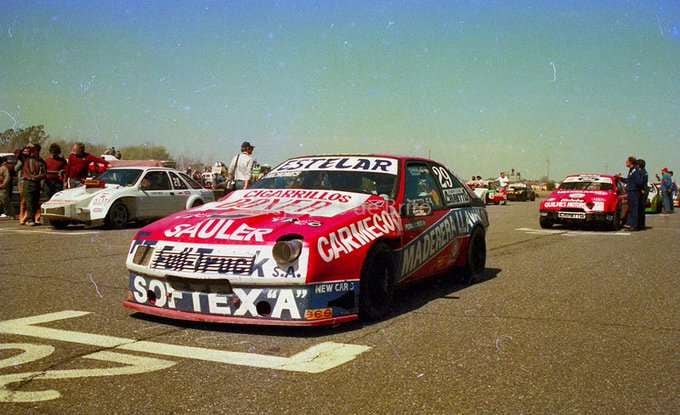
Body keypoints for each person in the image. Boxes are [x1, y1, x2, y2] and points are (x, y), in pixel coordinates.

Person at [20, 144, 46, 226]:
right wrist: (27, 146)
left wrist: (37, 177)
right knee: (29, 201)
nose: (35, 152)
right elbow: (19, 154)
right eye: (34, 151)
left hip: (36, 183)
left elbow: (44, 173)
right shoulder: (27, 159)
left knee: (35, 201)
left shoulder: (41, 161)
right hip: (28, 182)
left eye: (37, 151)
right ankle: (30, 219)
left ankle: (34, 218)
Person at [621, 156, 643, 230]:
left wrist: (635, 187)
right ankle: (630, 224)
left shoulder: (635, 171)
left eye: (627, 161)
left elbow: (639, 181)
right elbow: (628, 180)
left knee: (634, 209)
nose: (626, 162)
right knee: (631, 208)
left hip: (634, 192)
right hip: (630, 191)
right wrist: (620, 178)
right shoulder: (631, 170)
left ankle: (634, 225)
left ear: (631, 162)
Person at [637, 159, 648, 230]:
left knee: (640, 209)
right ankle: (641, 225)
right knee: (642, 209)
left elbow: (640, 182)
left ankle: (640, 225)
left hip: (642, 191)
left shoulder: (641, 172)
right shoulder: (645, 171)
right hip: (644, 190)